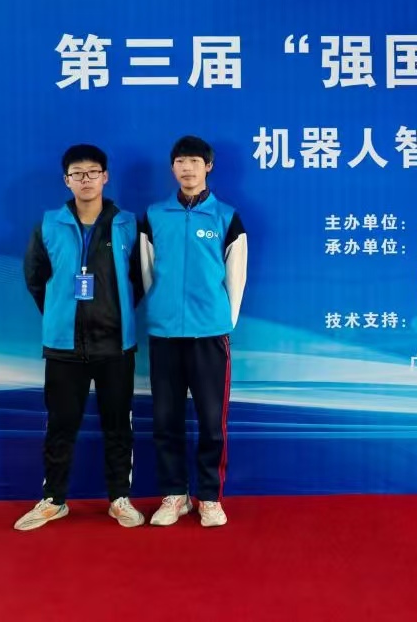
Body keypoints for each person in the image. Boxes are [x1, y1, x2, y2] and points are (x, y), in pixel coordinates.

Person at [16, 144, 145, 531]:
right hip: (63, 346)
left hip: (115, 345)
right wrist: (61, 313)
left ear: (105, 177)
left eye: (92, 172)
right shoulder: (48, 225)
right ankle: (54, 500)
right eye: (77, 173)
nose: (85, 179)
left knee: (118, 425)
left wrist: (114, 313)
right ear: (66, 180)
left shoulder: (128, 225)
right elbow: (35, 278)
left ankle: (119, 499)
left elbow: (140, 279)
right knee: (60, 425)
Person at [140, 136, 247, 527]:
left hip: (210, 335)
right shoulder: (154, 216)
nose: (187, 168)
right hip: (165, 334)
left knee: (211, 421)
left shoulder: (226, 217)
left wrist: (221, 322)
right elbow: (147, 272)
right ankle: (174, 495)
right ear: (172, 168)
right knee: (165, 419)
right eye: (181, 161)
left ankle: (209, 497)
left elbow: (236, 278)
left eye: (195, 161)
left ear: (208, 167)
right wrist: (160, 310)